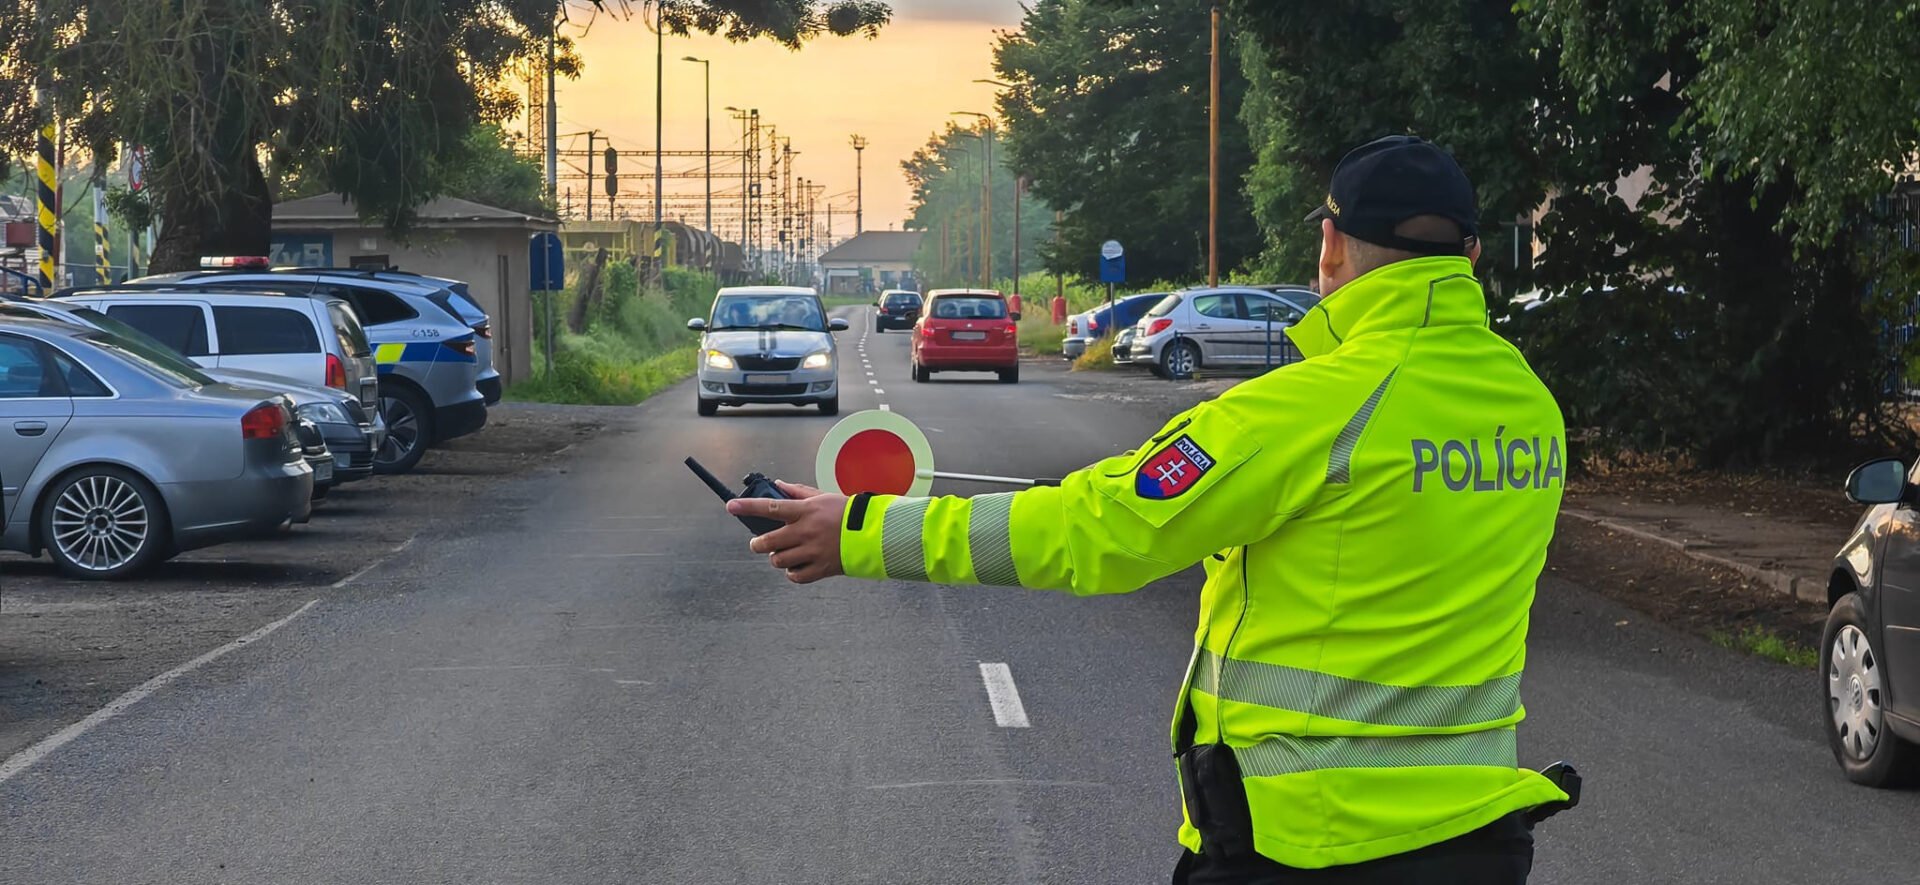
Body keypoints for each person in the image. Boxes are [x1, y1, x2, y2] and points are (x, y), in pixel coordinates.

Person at [729, 135, 1570, 883]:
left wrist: (864, 531)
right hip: (1480, 838)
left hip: (1310, 844)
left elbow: (1097, 531)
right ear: (1471, 252)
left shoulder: (1298, 411)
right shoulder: (1529, 408)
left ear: (1330, 245)